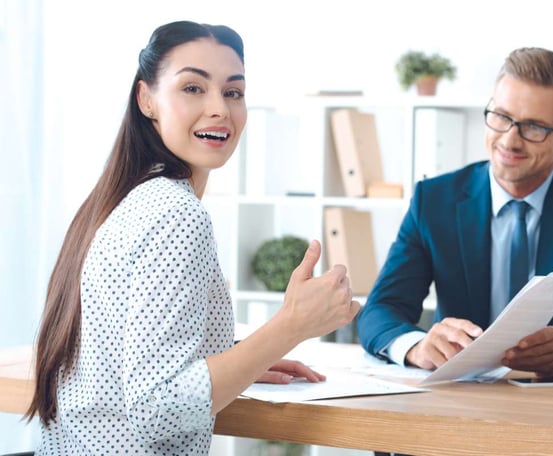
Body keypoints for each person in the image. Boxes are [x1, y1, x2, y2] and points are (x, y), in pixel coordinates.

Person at [25, 21, 360, 455]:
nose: (219, 108)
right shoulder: (176, 213)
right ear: (147, 99)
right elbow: (156, 410)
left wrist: (241, 358)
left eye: (233, 92)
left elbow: (131, 353)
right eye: (193, 88)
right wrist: (291, 326)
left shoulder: (127, 198)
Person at [357, 47, 553, 381]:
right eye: (501, 117)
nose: (509, 140)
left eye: (533, 127)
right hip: (458, 399)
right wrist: (416, 346)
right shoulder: (435, 200)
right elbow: (379, 311)